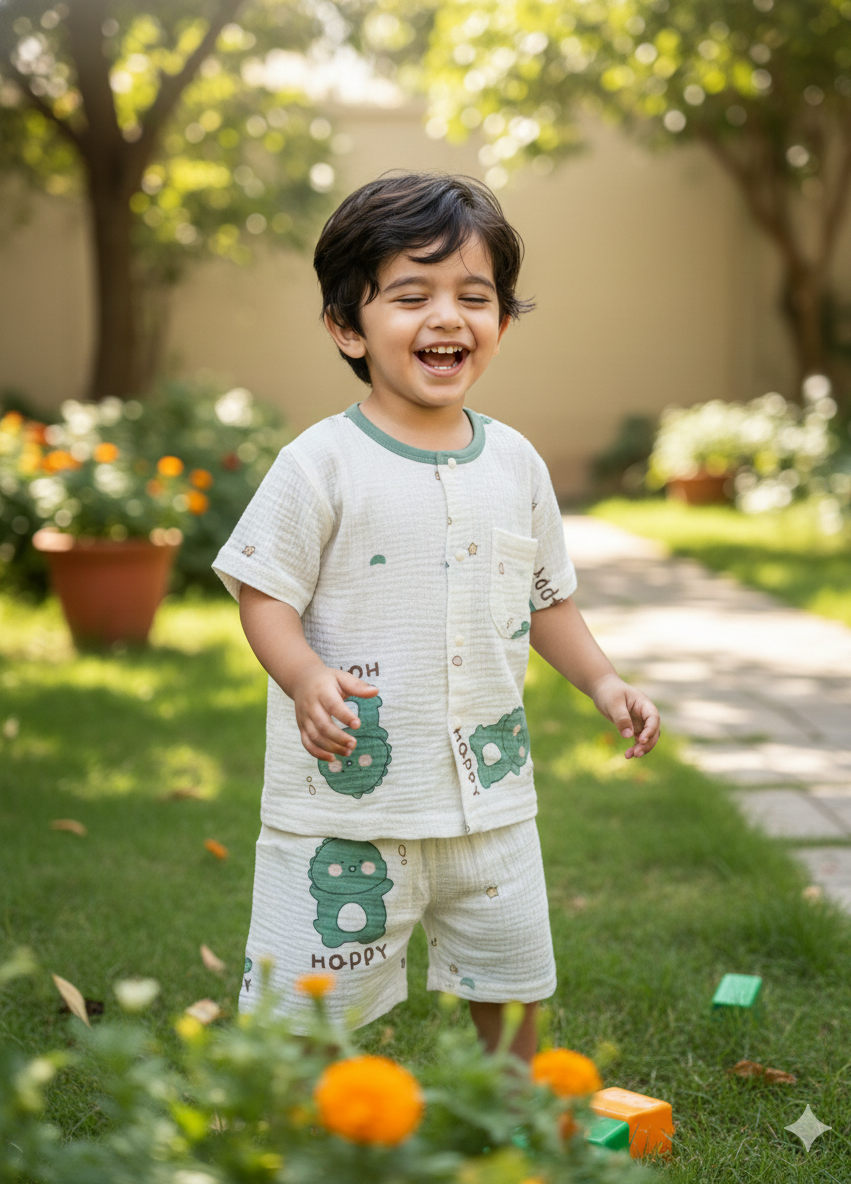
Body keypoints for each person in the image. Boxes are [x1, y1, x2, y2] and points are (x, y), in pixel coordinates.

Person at [212, 172, 660, 1061]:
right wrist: (302, 676)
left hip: (488, 799)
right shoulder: (322, 464)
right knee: (309, 999)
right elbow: (264, 590)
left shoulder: (518, 465)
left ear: (501, 320)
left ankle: (514, 1114)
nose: (447, 317)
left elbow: (549, 601)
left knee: (513, 969)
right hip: (346, 802)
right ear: (348, 326)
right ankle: (293, 1129)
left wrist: (605, 681)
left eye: (475, 297)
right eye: (412, 295)